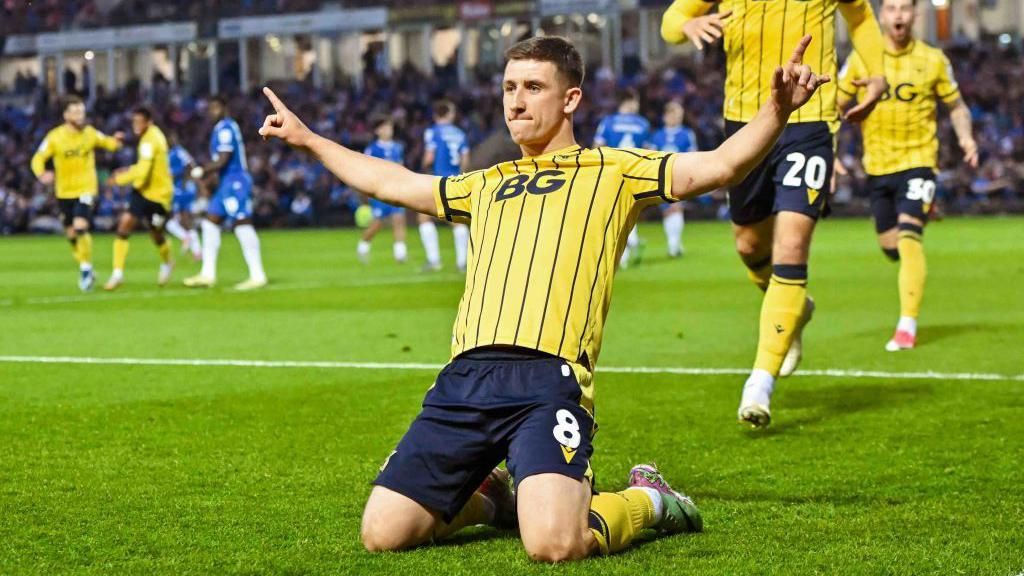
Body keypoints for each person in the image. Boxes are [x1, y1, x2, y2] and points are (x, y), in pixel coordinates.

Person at [258, 34, 828, 562]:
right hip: (464, 380)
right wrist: (309, 140)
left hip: (548, 381)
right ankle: (496, 498)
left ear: (570, 98)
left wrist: (777, 110)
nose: (516, 102)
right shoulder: (484, 182)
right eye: (509, 88)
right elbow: (390, 180)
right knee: (382, 535)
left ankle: (648, 499)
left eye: (533, 87)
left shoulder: (616, 171)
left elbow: (722, 166)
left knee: (555, 545)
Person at [662, 0, 888, 428]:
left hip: (810, 119)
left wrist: (876, 73)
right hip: (745, 121)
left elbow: (860, 15)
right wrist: (688, 23)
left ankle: (760, 381)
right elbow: (669, 22)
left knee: (792, 244)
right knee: (749, 245)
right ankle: (794, 308)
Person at [837, 0, 978, 352]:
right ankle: (922, 211)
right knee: (891, 247)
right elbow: (834, 105)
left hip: (919, 160)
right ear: (881, 15)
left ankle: (906, 326)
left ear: (916, 15)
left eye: (904, 9)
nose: (898, 15)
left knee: (908, 237)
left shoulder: (933, 60)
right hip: (878, 166)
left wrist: (966, 138)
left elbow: (957, 107)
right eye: (892, 9)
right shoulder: (861, 59)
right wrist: (831, 148)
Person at [30, 95, 123, 291]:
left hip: (86, 188)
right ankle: (85, 263)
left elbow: (108, 143)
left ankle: (86, 270)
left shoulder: (89, 133)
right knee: (71, 235)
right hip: (63, 192)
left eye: (82, 111)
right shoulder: (54, 137)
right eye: (76, 112)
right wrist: (41, 173)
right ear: (66, 115)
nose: (81, 116)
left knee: (80, 227)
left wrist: (117, 141)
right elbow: (38, 158)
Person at [184, 95, 267, 290]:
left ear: (224, 108)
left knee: (241, 223)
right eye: (209, 109)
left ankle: (258, 274)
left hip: (235, 181)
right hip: (225, 183)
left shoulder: (226, 129)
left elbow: (223, 159)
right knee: (210, 223)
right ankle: (208, 274)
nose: (211, 112)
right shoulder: (220, 129)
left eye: (215, 108)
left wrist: (201, 171)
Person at [102, 107, 175, 291]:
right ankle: (117, 274)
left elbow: (143, 171)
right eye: (134, 121)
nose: (136, 125)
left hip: (159, 196)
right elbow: (142, 165)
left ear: (148, 122)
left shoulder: (151, 140)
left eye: (139, 122)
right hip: (142, 192)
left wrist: (119, 179)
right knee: (124, 226)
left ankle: (167, 262)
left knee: (156, 234)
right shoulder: (148, 136)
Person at [594, 90, 651, 267]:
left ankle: (625, 251)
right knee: (628, 209)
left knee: (614, 211)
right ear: (631, 101)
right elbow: (649, 150)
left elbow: (598, 147)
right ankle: (631, 242)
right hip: (635, 171)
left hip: (613, 172)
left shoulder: (608, 122)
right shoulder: (642, 123)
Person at [419, 100, 470, 272]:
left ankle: (434, 261)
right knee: (456, 220)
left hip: (437, 179)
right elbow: (465, 159)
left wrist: (423, 171)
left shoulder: (432, 132)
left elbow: (429, 157)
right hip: (456, 180)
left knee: (424, 218)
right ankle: (462, 262)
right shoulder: (460, 133)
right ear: (449, 114)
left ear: (436, 114)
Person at [647, 100, 698, 258]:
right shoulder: (657, 135)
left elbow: (692, 155)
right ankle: (673, 243)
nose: (677, 117)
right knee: (668, 210)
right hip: (661, 176)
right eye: (674, 113)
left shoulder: (686, 134)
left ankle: (673, 244)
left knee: (676, 208)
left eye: (679, 114)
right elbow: (650, 155)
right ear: (666, 115)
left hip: (680, 175)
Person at [357, 117, 408, 264]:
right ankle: (363, 246)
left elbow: (400, 166)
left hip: (396, 188)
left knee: (399, 219)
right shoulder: (373, 148)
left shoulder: (397, 147)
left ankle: (400, 254)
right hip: (379, 190)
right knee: (378, 223)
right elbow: (367, 168)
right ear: (377, 131)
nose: (388, 130)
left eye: (390, 127)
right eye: (385, 128)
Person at [165, 131, 202, 261]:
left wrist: (185, 180)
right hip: (178, 188)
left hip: (181, 189)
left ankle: (186, 239)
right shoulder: (170, 153)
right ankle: (197, 251)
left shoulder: (178, 152)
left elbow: (190, 165)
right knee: (184, 220)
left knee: (177, 220)